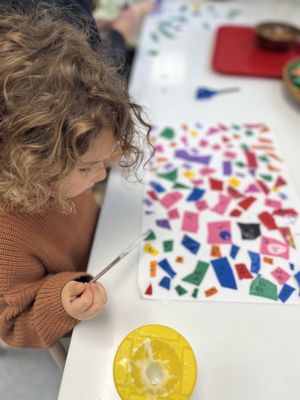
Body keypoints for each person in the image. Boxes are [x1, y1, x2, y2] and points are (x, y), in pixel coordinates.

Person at [0, 5, 151, 348]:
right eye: (86, 167)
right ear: (31, 163)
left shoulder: (54, 166)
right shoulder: (7, 239)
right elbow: (12, 325)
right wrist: (62, 301)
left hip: (105, 240)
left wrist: (105, 151)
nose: (100, 174)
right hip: (90, 296)